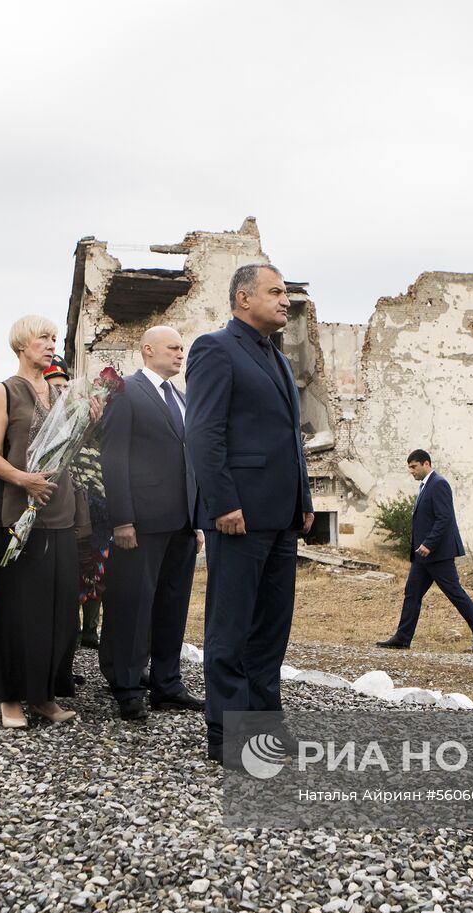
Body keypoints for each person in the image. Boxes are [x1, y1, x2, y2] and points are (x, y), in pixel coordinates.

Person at [185, 263, 314, 769]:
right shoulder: (215, 349)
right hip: (237, 514)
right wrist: (222, 503)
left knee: (271, 628)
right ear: (243, 298)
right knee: (231, 627)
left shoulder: (276, 356)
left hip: (281, 514)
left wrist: (304, 499)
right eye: (275, 291)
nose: (285, 300)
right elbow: (204, 433)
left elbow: (291, 438)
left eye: (286, 293)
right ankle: (227, 733)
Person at [0, 315, 91, 728]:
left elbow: (75, 449)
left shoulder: (63, 393)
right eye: (43, 338)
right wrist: (23, 479)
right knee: (17, 610)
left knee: (60, 611)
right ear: (22, 344)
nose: (51, 344)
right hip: (19, 513)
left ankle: (44, 695)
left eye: (54, 338)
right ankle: (10, 697)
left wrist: (90, 418)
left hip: (60, 513)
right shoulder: (4, 391)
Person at [99, 326, 204, 720]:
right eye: (173, 347)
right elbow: (114, 456)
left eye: (181, 348)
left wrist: (197, 520)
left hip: (182, 523)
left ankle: (167, 685)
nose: (180, 354)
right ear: (148, 350)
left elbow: (190, 461)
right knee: (133, 606)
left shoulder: (181, 397)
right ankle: (127, 687)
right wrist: (122, 518)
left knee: (172, 609)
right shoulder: (126, 391)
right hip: (140, 523)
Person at [376, 449, 473, 652]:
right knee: (412, 593)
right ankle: (402, 638)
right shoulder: (425, 486)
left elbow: (444, 518)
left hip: (438, 554)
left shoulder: (439, 484)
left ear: (426, 464)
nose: (411, 471)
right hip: (423, 557)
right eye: (409, 467)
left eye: (414, 467)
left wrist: (429, 544)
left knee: (455, 593)